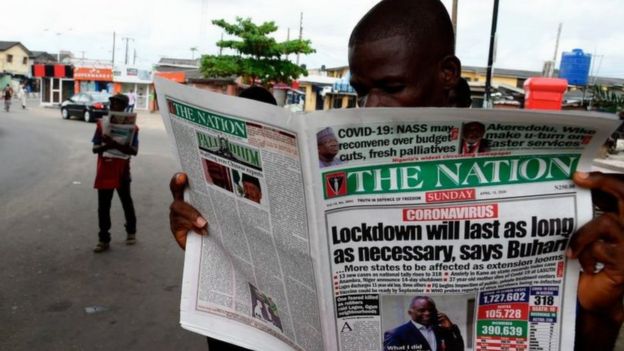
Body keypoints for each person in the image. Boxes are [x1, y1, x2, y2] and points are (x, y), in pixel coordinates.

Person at [169, 1, 624, 350]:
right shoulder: (328, 167)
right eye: (362, 91)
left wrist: (603, 315)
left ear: (447, 73)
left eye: (391, 88)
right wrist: (220, 252)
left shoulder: (551, 193)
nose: (371, 109)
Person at [92, 93, 138, 253]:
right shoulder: (101, 125)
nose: (113, 106)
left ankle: (131, 232)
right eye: (112, 103)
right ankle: (103, 239)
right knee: (103, 207)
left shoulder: (133, 128)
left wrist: (115, 145)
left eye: (117, 104)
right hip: (105, 171)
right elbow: (95, 149)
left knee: (126, 202)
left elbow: (134, 151)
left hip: (122, 172)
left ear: (124, 107)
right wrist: (107, 145)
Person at [384, 296, 463, 351]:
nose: (427, 313)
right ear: (410, 312)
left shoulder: (440, 330)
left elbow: (458, 349)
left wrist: (451, 328)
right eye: (422, 310)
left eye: (431, 310)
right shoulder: (396, 334)